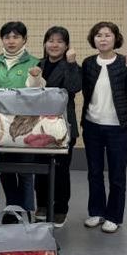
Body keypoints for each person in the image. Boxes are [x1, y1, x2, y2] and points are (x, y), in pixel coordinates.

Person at [81, 21, 127, 234]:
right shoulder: (89, 63)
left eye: (108, 35)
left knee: (117, 175)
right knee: (94, 172)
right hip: (92, 126)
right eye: (99, 35)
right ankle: (96, 211)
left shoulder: (124, 62)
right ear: (93, 39)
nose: (103, 39)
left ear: (116, 38)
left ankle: (113, 216)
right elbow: (81, 88)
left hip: (118, 127)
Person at [0, 21, 44, 219]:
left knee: (25, 170)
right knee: (5, 170)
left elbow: (38, 91)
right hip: (1, 124)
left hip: (26, 124)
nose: (11, 41)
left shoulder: (35, 62)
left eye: (16, 37)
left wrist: (35, 78)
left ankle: (26, 210)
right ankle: (12, 208)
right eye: (7, 37)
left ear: (24, 39)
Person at [34, 26, 82, 227]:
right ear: (45, 43)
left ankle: (61, 209)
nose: (54, 45)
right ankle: (42, 205)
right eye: (50, 40)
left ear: (66, 46)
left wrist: (71, 64)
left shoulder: (72, 65)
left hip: (63, 124)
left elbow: (74, 87)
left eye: (59, 41)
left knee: (61, 171)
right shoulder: (38, 64)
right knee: (40, 168)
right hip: (39, 126)